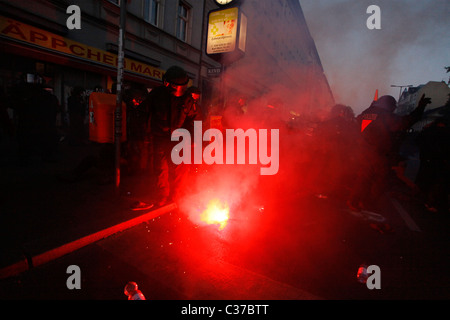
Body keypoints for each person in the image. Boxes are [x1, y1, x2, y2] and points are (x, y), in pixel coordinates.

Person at [347, 94, 431, 212]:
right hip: (380, 154)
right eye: (393, 107)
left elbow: (356, 128)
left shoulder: (365, 113)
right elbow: (406, 122)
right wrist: (420, 107)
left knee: (363, 177)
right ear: (389, 105)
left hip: (364, 152)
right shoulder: (386, 116)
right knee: (381, 180)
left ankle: (354, 201)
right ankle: (368, 204)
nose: (394, 109)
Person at [131, 66, 193, 210]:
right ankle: (162, 196)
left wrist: (192, 140)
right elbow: (142, 114)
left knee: (179, 170)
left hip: (179, 140)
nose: (179, 90)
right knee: (161, 169)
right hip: (160, 138)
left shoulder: (188, 99)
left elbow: (194, 120)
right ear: (167, 84)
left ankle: (177, 196)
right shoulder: (157, 94)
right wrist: (141, 135)